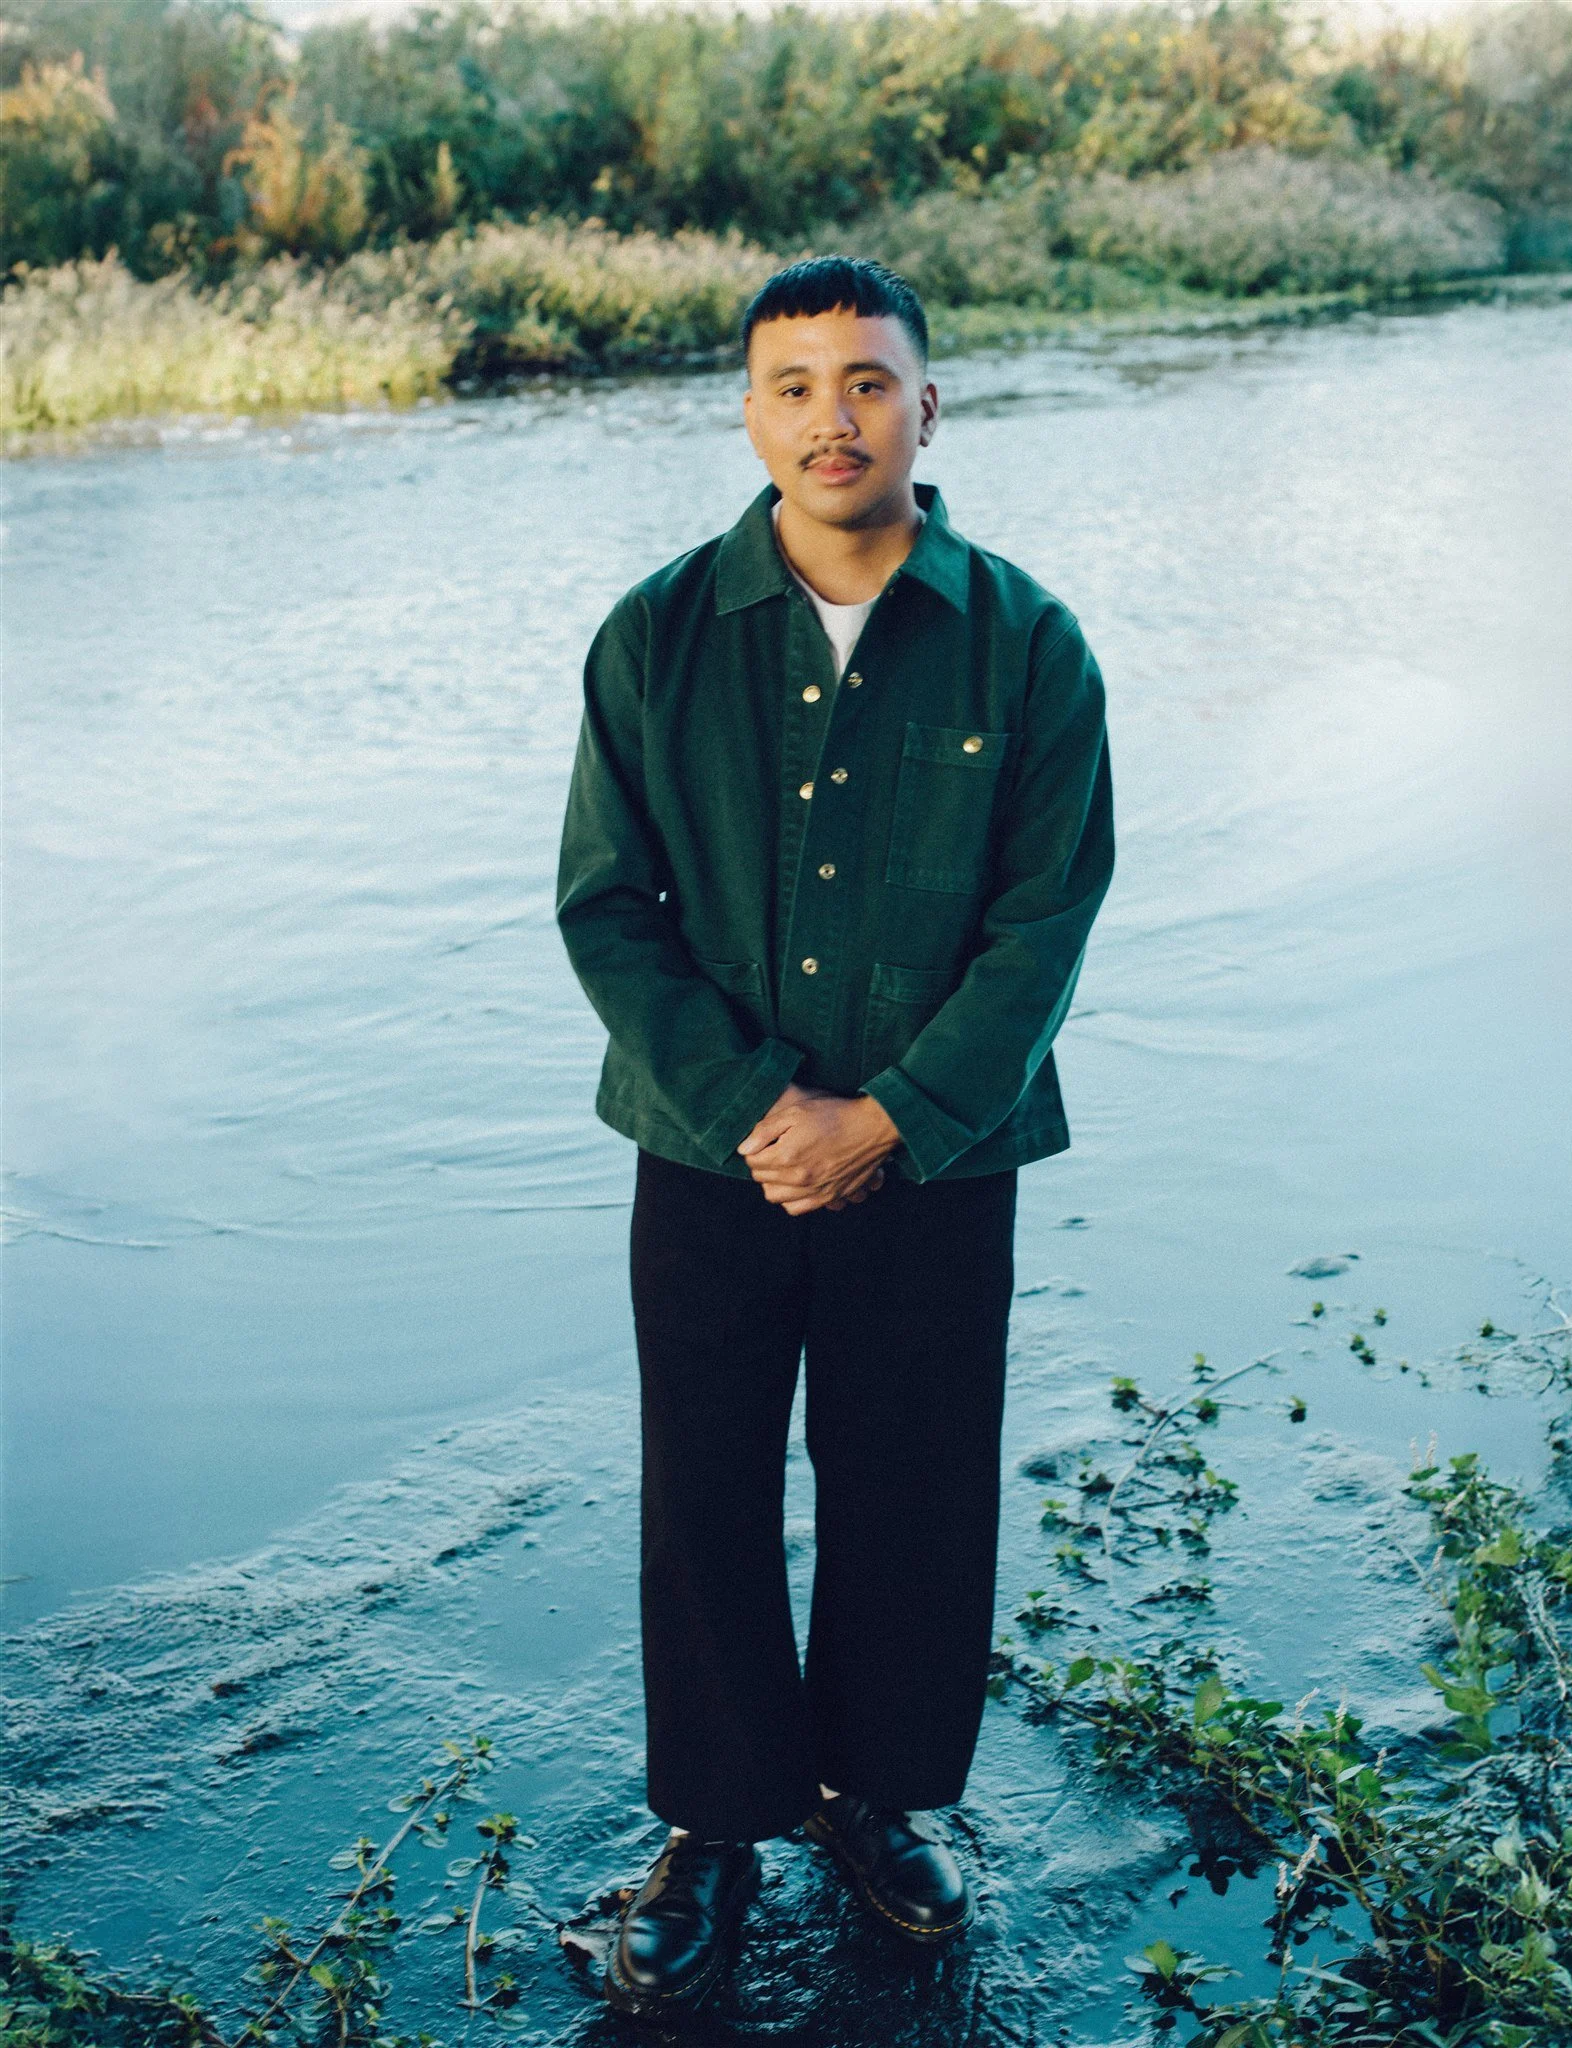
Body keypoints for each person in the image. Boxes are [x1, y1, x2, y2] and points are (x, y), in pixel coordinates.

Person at [555, 255, 1115, 2021]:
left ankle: (880, 1801)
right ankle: (715, 1828)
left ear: (925, 406)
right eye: (793, 385)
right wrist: (756, 1107)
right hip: (705, 1154)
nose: (832, 418)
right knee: (705, 1485)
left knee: (914, 1476)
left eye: (866, 381)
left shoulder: (1027, 641)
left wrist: (890, 1117)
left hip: (936, 1157)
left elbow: (1047, 917)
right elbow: (604, 908)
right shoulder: (656, 635)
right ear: (748, 413)